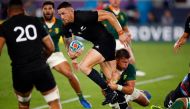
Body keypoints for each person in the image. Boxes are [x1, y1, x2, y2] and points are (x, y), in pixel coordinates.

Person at [57, 1, 130, 105]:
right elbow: (67, 40)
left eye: (63, 13)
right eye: (59, 14)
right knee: (112, 81)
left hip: (106, 41)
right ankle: (126, 101)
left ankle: (109, 92)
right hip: (101, 44)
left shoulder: (83, 16)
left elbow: (109, 15)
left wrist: (121, 33)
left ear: (71, 11)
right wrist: (72, 56)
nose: (61, 17)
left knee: (84, 66)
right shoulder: (66, 26)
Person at [0, 0, 61, 109]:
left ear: (8, 11)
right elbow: (51, 47)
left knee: (24, 103)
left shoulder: (4, 26)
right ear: (23, 10)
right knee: (53, 100)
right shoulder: (35, 21)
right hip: (40, 68)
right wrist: (43, 59)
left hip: (20, 71)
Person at [40, 1, 91, 108]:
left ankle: (81, 97)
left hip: (55, 54)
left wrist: (73, 59)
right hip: (39, 56)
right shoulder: (37, 23)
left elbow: (68, 42)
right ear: (42, 10)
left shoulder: (60, 23)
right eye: (45, 9)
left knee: (70, 74)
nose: (47, 11)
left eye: (50, 8)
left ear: (53, 10)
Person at [102, 0, 145, 76]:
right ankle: (107, 74)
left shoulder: (123, 14)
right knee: (109, 62)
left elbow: (125, 28)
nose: (115, 1)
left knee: (131, 59)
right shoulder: (104, 12)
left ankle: (130, 72)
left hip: (119, 40)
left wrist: (128, 34)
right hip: (107, 41)